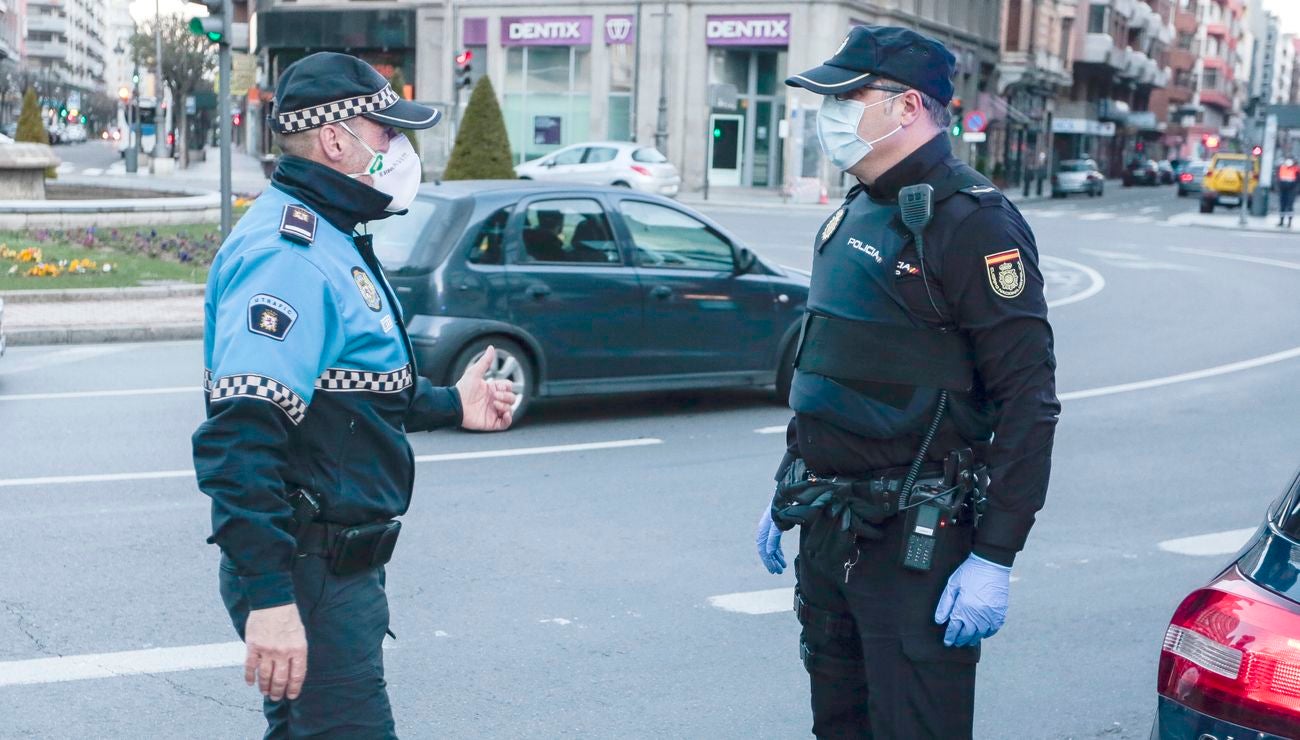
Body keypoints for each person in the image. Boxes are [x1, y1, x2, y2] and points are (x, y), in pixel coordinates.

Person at [192, 52, 516, 737]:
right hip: (310, 573)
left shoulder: (331, 235)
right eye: (386, 132)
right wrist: (273, 601)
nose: (398, 149)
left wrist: (452, 403)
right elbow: (240, 439)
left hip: (334, 571)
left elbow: (349, 395)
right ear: (336, 140)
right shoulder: (288, 256)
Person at [753, 26, 1060, 738]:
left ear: (907, 106)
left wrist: (994, 555)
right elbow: (825, 366)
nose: (831, 114)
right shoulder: (857, 206)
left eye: (846, 97)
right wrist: (789, 482)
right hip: (830, 528)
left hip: (912, 543)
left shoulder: (973, 224)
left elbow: (1027, 401)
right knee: (839, 725)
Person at [1277, 157, 1297, 229]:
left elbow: (1297, 180)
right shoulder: (1282, 168)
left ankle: (1289, 222)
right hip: (1283, 190)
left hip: (1291, 191)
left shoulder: (1295, 169)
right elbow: (1278, 178)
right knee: (1282, 206)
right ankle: (1281, 221)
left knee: (1290, 207)